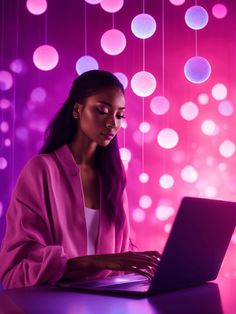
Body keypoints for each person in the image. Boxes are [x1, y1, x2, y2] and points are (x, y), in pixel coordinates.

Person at [0, 70, 160, 289]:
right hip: (53, 305)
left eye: (119, 115)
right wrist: (96, 262)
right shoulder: (41, 170)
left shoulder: (113, 175)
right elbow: (15, 273)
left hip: (108, 304)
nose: (112, 123)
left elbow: (119, 262)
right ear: (77, 109)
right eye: (102, 110)